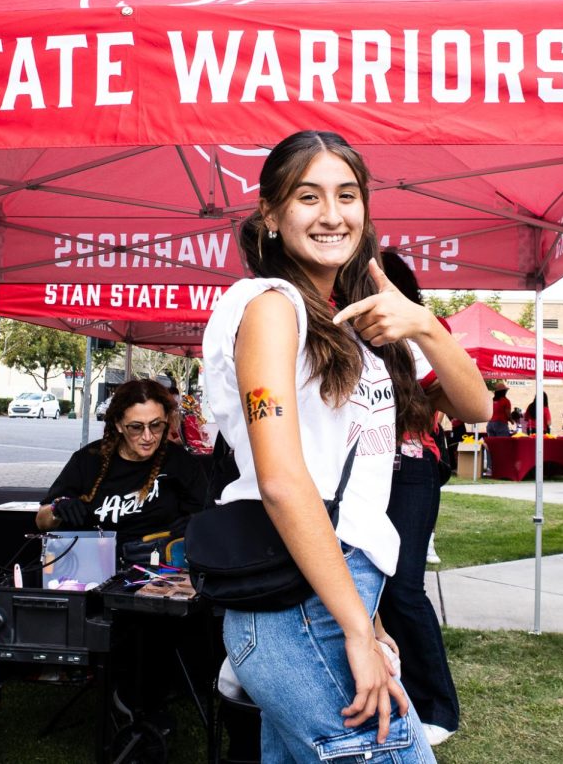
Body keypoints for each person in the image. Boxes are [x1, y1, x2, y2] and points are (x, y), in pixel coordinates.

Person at [202, 130, 491, 761]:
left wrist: (425, 325)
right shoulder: (270, 306)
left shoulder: (364, 317)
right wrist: (358, 630)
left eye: (347, 195)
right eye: (308, 197)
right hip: (296, 600)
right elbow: (282, 479)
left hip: (334, 588)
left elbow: (477, 406)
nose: (332, 215)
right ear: (271, 216)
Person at [377, 250, 476, 746]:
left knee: (403, 587)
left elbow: (465, 400)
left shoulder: (422, 331)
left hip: (411, 469)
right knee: (364, 587)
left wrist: (426, 399)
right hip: (360, 474)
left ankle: (437, 705)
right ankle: (389, 688)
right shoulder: (350, 330)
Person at [36, 378, 205, 555]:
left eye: (156, 425)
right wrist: (57, 509)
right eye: (136, 427)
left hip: (158, 570)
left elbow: (208, 519)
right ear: (118, 424)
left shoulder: (182, 463)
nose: (148, 437)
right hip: (91, 566)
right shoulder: (87, 460)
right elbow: (41, 521)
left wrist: (196, 523)